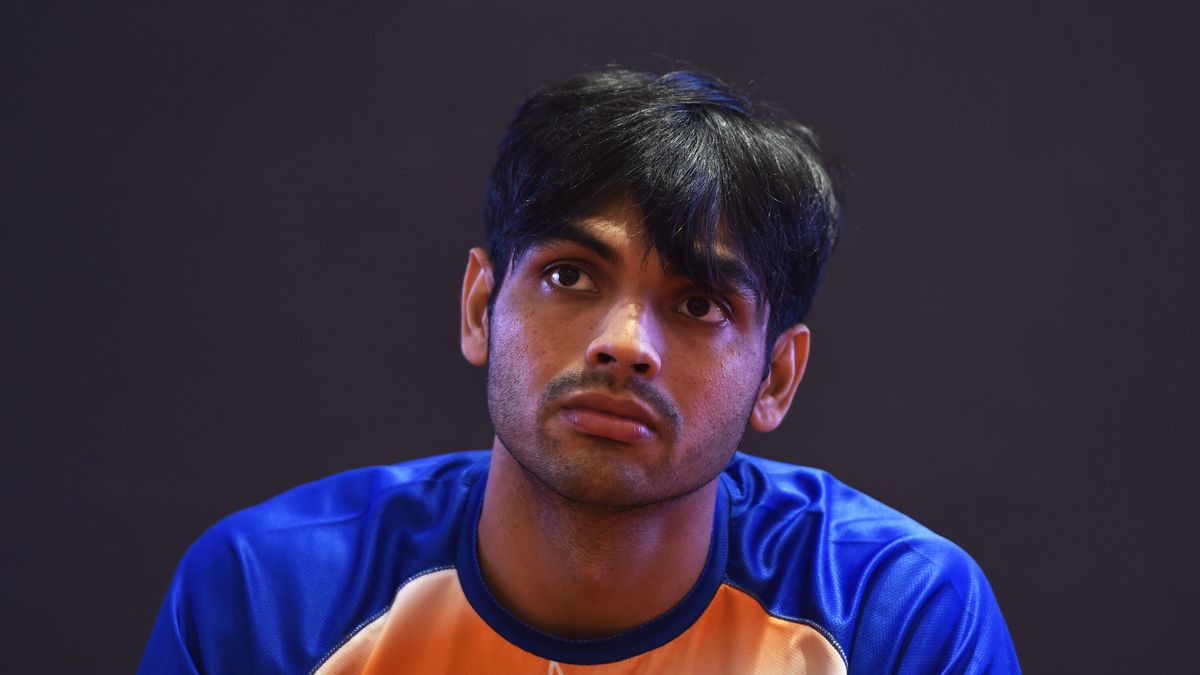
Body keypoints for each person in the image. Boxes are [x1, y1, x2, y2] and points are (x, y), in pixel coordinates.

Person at [139, 68, 1020, 674]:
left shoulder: (893, 617)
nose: (626, 341)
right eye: (570, 275)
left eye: (699, 304)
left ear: (777, 376)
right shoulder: (269, 595)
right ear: (481, 306)